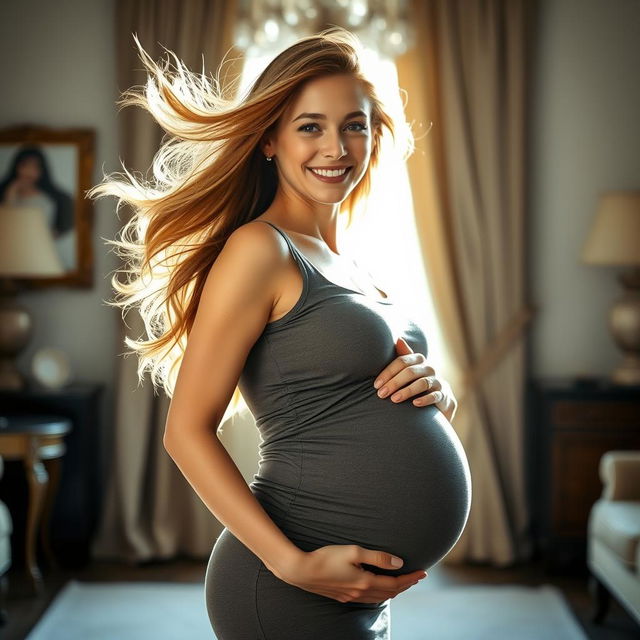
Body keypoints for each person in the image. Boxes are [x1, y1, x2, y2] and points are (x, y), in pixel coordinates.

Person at [88, 27, 471, 640]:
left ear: (375, 137)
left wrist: (436, 395)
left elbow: (358, 399)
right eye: (310, 126)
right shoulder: (259, 249)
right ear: (270, 139)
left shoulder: (352, 263)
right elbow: (185, 431)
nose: (336, 146)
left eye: (355, 124)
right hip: (290, 584)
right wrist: (292, 563)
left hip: (362, 590)